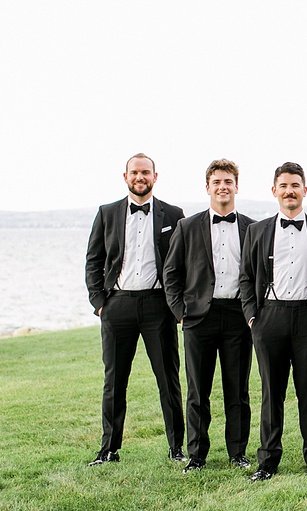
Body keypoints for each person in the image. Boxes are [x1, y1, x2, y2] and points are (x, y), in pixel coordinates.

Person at [85, 153, 185, 466]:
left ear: (155, 177)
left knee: (168, 379)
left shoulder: (173, 214)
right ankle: (109, 450)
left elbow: (180, 262)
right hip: (118, 305)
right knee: (114, 381)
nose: (139, 177)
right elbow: (94, 260)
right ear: (125, 176)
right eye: (134, 172)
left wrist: (176, 304)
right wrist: (100, 303)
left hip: (158, 306)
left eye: (145, 172)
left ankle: (176, 448)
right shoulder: (107, 213)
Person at [239, 162, 307, 482]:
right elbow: (246, 278)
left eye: (295, 185)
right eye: (284, 186)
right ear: (274, 191)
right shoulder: (257, 231)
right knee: (271, 392)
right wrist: (252, 316)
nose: (289, 191)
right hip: (270, 318)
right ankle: (267, 460)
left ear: (305, 190)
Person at [163, 159, 254, 473]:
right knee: (197, 391)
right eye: (217, 182)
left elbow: (258, 275)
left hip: (239, 317)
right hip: (199, 317)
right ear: (208, 187)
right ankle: (197, 455)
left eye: (228, 181)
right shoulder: (187, 227)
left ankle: (238, 452)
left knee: (237, 390)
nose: (223, 187)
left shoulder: (252, 228)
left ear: (236, 187)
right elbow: (171, 273)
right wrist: (180, 313)